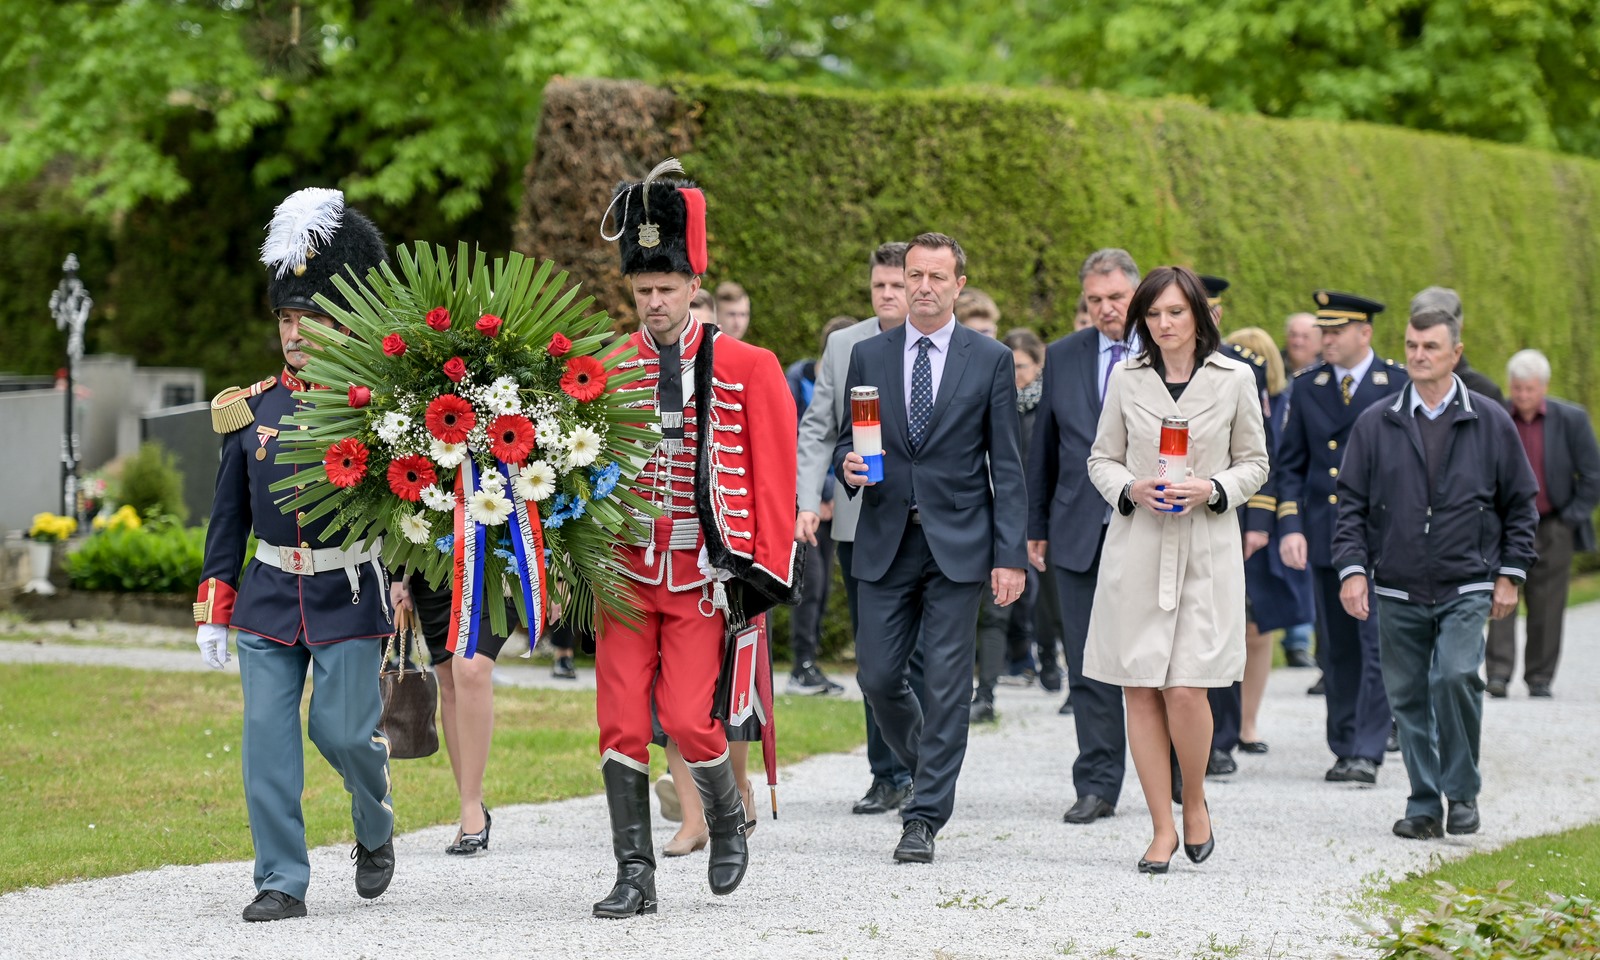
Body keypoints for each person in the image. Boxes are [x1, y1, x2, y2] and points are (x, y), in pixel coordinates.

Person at [592, 160, 800, 917]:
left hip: (701, 575)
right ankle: (633, 874)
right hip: (623, 573)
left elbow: (775, 475)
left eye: (666, 291)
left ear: (692, 289)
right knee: (618, 720)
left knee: (686, 717)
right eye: (642, 292)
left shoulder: (749, 366)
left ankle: (724, 818)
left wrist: (762, 574)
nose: (653, 304)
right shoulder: (606, 368)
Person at [193, 187, 395, 922]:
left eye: (310, 318)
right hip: (269, 593)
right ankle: (281, 878)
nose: (296, 333)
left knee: (342, 735)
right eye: (286, 317)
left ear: (340, 321)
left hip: (346, 593)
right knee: (266, 744)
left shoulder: (376, 410)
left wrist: (401, 580)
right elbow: (227, 516)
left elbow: (404, 507)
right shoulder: (248, 410)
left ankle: (375, 825)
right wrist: (215, 604)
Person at [835, 231, 1026, 864]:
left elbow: (1009, 465)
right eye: (914, 275)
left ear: (958, 285)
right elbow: (846, 440)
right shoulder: (870, 354)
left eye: (936, 277)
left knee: (946, 683)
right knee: (878, 675)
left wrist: (1010, 555)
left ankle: (923, 816)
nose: (922, 287)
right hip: (885, 536)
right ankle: (928, 763)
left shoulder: (990, 359)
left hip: (960, 543)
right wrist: (847, 467)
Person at [1332, 292, 1538, 839]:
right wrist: (1352, 569)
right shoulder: (1377, 423)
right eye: (1411, 346)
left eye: (1431, 346)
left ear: (1455, 352)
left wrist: (1511, 573)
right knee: (1407, 697)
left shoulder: (1490, 420)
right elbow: (1349, 503)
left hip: (1467, 579)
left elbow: (1520, 503)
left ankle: (1462, 792)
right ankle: (1424, 803)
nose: (1419, 355)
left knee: (1453, 678)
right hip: (1397, 585)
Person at [1083, 264, 1268, 873]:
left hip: (1206, 548)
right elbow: (1101, 458)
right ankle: (1161, 826)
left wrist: (1212, 487)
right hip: (1138, 547)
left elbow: (1255, 464)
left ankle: (1195, 799)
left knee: (1187, 688)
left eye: (1175, 313)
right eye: (1153, 315)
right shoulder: (1125, 379)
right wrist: (1131, 488)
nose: (1163, 325)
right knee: (1139, 686)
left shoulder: (1236, 378)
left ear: (1199, 316)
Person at [794, 241, 920, 816]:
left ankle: (924, 766)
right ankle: (887, 773)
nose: (890, 294)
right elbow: (818, 428)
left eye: (898, 284)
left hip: (930, 522)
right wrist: (805, 501)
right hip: (860, 518)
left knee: (920, 655)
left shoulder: (948, 348)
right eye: (880, 287)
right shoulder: (845, 345)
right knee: (877, 652)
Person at [1274, 290, 1407, 786]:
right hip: (1327, 532)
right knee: (1336, 646)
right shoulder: (1308, 387)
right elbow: (1289, 465)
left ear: (1364, 333)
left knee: (1374, 641)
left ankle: (1369, 749)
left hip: (1381, 534)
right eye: (1322, 331)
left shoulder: (1393, 383)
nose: (1325, 340)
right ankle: (1344, 741)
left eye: (1335, 331)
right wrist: (1290, 525)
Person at [1027, 248, 1141, 824]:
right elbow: (1044, 447)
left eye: (1115, 298)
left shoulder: (1172, 353)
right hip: (1076, 531)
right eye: (1094, 300)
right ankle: (1097, 782)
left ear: (1137, 295)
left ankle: (1171, 775)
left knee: (1155, 661)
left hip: (1151, 532)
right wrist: (1037, 527)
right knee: (1088, 661)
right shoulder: (1065, 355)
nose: (1105, 309)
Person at [1487, 350, 1600, 698]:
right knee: (1501, 594)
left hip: (1553, 524)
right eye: (1517, 388)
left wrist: (1571, 518)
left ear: (1544, 387)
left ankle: (1539, 677)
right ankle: (1498, 675)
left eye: (1529, 389)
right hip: (1504, 525)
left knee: (1548, 603)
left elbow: (1593, 475)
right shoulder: (1495, 418)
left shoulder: (1571, 419)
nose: (1522, 396)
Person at [1228, 326, 1315, 748]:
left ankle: (1248, 722)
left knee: (1257, 629)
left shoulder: (1287, 402)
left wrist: (1263, 525)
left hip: (1262, 522)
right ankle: (1225, 725)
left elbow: (1281, 465)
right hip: (1227, 512)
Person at [389, 574, 513, 855]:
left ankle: (471, 809)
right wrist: (399, 577)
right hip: (435, 567)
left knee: (470, 668)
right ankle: (472, 804)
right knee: (448, 679)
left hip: (503, 560)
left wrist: (554, 578)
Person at [972, 328, 1057, 723]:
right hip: (997, 512)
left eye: (1021, 366)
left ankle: (1049, 660)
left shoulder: (1048, 408)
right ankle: (985, 692)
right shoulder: (993, 400)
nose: (1015, 374)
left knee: (1046, 598)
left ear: (1038, 366)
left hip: (1040, 515)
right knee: (994, 610)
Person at [784, 315, 858, 696]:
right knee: (807, 583)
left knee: (825, 586)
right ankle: (801, 666)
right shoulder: (795, 383)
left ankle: (809, 663)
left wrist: (832, 493)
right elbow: (797, 441)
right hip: (801, 503)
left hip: (834, 503)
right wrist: (819, 492)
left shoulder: (855, 386)